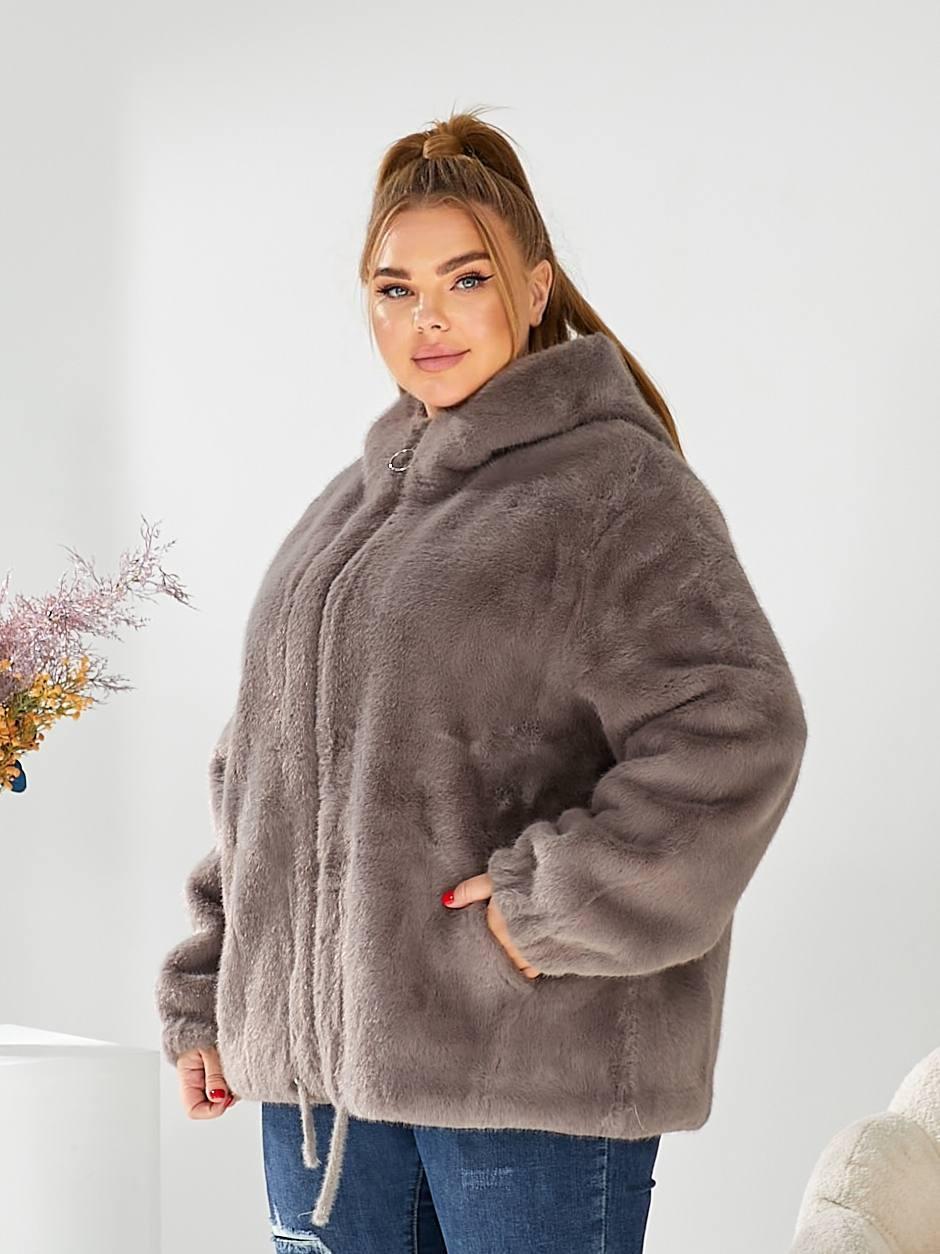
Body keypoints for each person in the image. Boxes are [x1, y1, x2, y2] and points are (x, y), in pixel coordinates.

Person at [155, 107, 809, 1253]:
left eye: (465, 279)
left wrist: (545, 909)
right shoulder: (347, 516)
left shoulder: (613, 489)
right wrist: (213, 992)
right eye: (394, 288)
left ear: (535, 286)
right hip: (323, 1102)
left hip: (524, 1082)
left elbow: (737, 732)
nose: (428, 317)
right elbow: (261, 773)